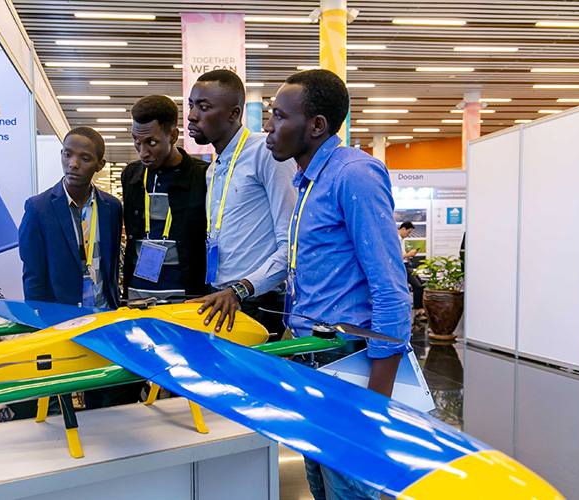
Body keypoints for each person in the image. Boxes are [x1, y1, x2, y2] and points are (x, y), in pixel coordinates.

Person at [264, 69, 412, 500]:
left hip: (351, 359)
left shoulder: (355, 175)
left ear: (316, 125)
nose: (269, 127)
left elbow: (390, 287)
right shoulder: (309, 180)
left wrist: (376, 402)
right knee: (322, 483)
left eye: (278, 115)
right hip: (316, 358)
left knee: (350, 486)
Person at [18, 127, 130, 409]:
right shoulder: (39, 208)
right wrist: (39, 324)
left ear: (100, 165)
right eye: (67, 155)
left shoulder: (111, 207)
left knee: (104, 390)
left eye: (84, 158)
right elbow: (33, 274)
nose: (73, 164)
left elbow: (111, 259)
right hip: (61, 317)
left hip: (104, 313)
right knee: (61, 395)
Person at [185, 69, 298, 337]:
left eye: (204, 107)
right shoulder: (214, 169)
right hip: (221, 296)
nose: (191, 115)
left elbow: (292, 244)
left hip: (259, 299)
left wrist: (241, 289)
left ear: (233, 114)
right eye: (191, 105)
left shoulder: (266, 154)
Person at [122, 95, 209, 301]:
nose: (143, 152)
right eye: (137, 141)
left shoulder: (202, 176)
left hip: (188, 298)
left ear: (173, 135)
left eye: (151, 142)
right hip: (137, 298)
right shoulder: (132, 175)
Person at [398, 221, 426, 319]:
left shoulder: (401, 240)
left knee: (421, 284)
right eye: (408, 232)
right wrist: (408, 255)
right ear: (403, 229)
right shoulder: (395, 239)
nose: (408, 235)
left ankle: (420, 309)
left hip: (406, 265)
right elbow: (395, 256)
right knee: (418, 286)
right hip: (401, 267)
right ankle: (418, 311)